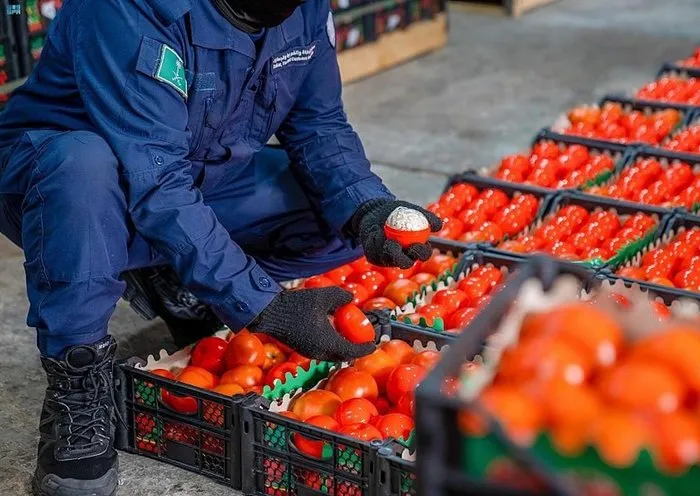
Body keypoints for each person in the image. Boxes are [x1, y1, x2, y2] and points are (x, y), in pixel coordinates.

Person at [0, 0, 442, 494]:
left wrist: (368, 210)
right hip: (71, 189)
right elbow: (156, 180)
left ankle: (176, 282)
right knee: (80, 164)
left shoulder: (303, 8)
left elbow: (320, 126)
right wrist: (264, 307)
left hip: (194, 174)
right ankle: (76, 379)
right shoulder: (130, 8)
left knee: (330, 214)